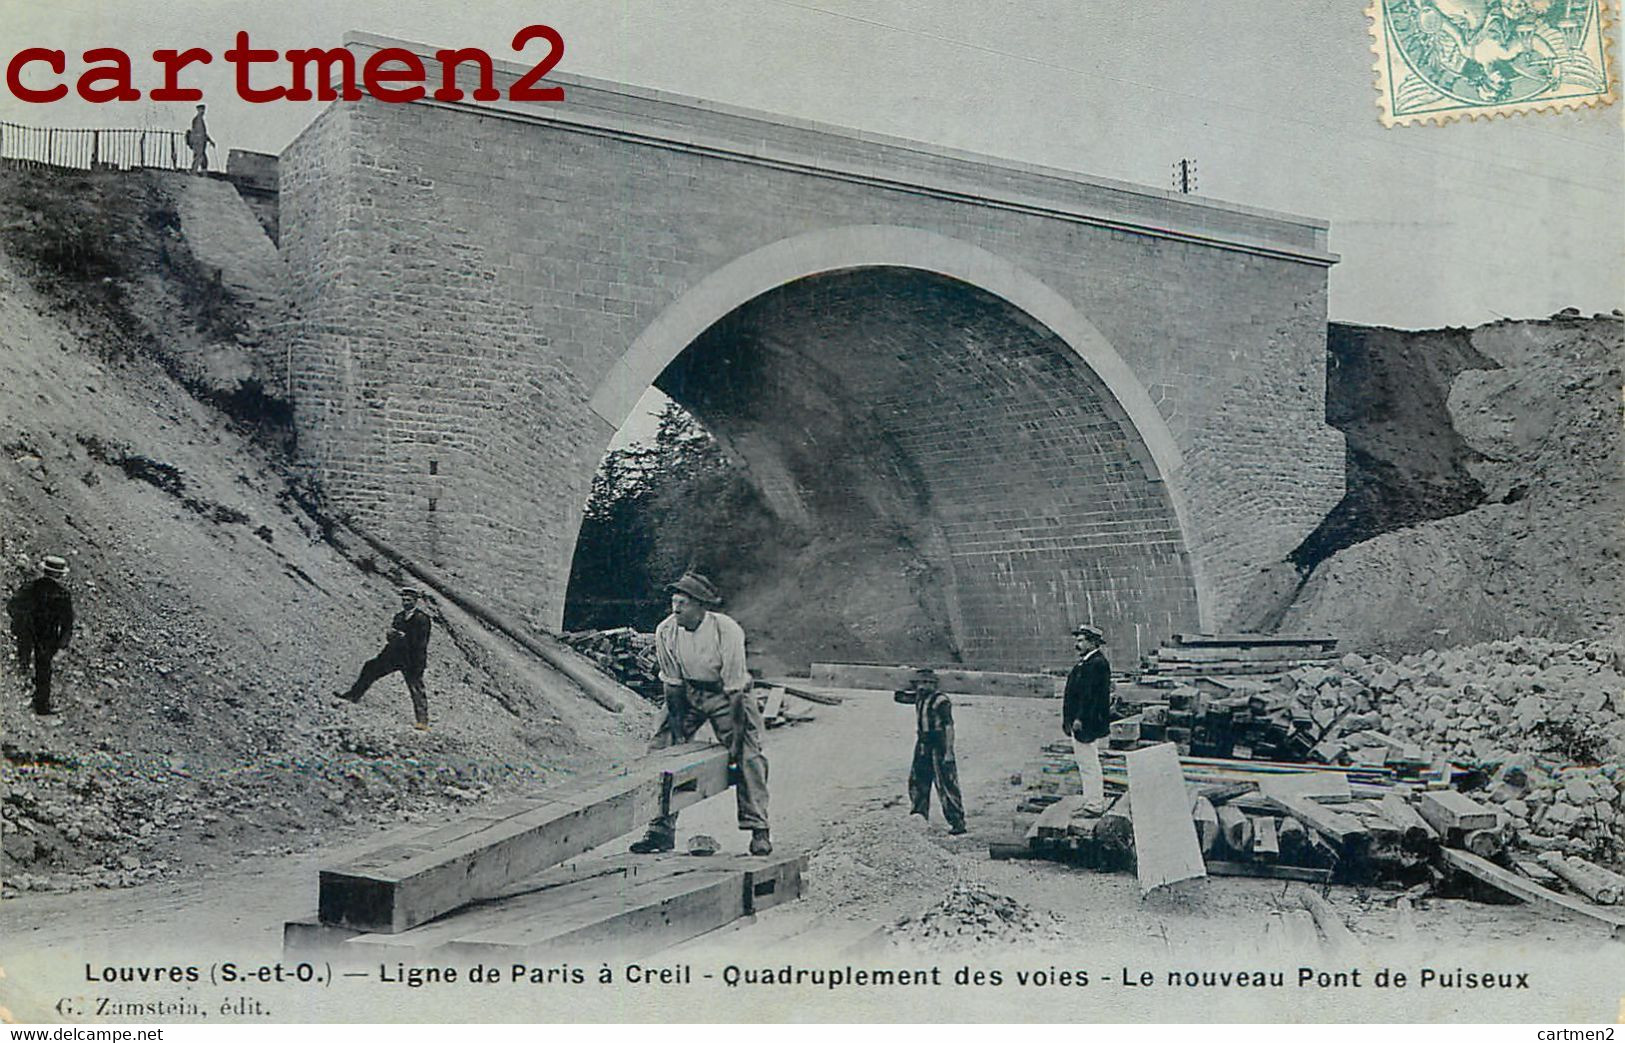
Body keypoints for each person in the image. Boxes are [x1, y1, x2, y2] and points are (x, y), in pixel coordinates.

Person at [629, 571, 771, 856]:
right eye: (673, 601)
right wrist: (678, 734)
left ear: (700, 606)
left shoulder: (726, 630)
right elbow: (673, 686)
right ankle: (660, 830)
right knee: (660, 748)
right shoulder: (666, 631)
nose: (676, 608)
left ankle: (759, 828)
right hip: (689, 693)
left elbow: (735, 691)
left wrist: (736, 740)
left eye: (682, 603)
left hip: (727, 694)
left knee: (749, 754)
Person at [337, 586, 433, 730]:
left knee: (416, 688)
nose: (405, 602)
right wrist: (390, 637)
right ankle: (353, 695)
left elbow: (421, 642)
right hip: (394, 656)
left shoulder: (422, 619)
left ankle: (422, 721)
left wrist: (404, 638)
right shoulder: (399, 616)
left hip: (412, 659)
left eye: (409, 600)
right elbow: (392, 639)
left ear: (415, 601)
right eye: (404, 599)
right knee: (370, 667)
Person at [894, 667, 967, 835]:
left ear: (935, 684)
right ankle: (918, 819)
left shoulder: (941, 700)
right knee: (918, 781)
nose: (925, 686)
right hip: (922, 744)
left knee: (946, 784)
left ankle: (957, 822)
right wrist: (903, 681)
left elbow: (949, 726)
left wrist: (949, 751)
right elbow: (899, 697)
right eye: (922, 682)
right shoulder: (919, 697)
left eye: (929, 683)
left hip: (938, 743)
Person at [7, 556, 75, 715]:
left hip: (28, 632)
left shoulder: (31, 587)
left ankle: (16, 700)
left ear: (44, 570)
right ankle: (41, 705)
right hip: (48, 637)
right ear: (60, 575)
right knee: (44, 670)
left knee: (23, 663)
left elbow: (12, 606)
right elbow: (67, 622)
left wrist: (21, 623)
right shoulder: (63, 594)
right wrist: (63, 644)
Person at [1062, 623, 1111, 812]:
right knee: (1086, 763)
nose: (1078, 644)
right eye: (1077, 640)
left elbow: (1089, 696)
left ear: (1093, 642)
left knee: (1089, 763)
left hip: (1086, 723)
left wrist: (1080, 718)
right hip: (1084, 721)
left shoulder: (1096, 664)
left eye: (1081, 641)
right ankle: (1090, 800)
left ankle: (1094, 803)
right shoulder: (1088, 663)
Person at [186, 104, 214, 174]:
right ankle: (193, 171)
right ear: (198, 110)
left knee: (203, 158)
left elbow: (203, 133)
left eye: (203, 110)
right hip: (198, 142)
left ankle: (203, 172)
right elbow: (196, 132)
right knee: (198, 157)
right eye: (201, 110)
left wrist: (210, 140)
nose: (203, 111)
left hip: (201, 142)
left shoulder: (201, 120)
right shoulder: (197, 120)